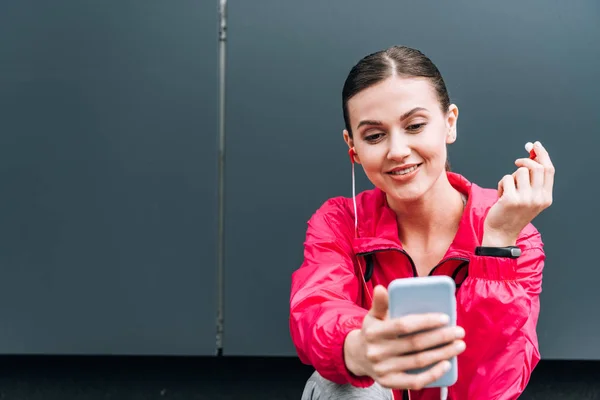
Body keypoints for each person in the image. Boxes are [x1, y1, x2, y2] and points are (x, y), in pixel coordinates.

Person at [289, 45, 554, 400]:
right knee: (344, 385)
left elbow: (491, 389)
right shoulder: (338, 221)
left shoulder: (514, 232)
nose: (397, 150)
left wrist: (497, 245)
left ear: (449, 123)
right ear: (352, 146)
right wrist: (359, 348)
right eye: (373, 136)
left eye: (414, 125)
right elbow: (316, 309)